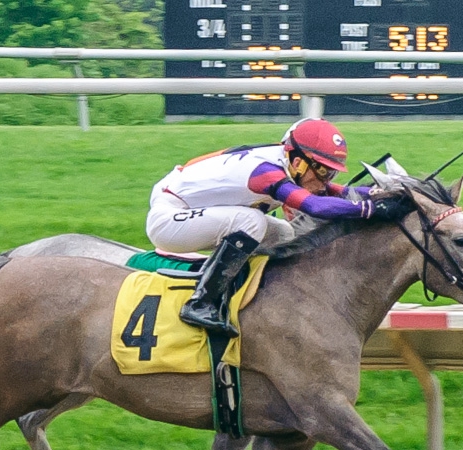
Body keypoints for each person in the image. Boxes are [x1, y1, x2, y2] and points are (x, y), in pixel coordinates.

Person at [145, 117, 414, 337]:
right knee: (251, 222)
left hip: (189, 212)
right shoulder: (266, 171)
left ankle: (257, 296)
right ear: (297, 161)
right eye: (323, 171)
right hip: (169, 218)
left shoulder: (290, 165)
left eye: (331, 172)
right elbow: (315, 206)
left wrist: (382, 194)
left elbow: (339, 192)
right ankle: (201, 303)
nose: (326, 179)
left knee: (284, 233)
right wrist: (369, 209)